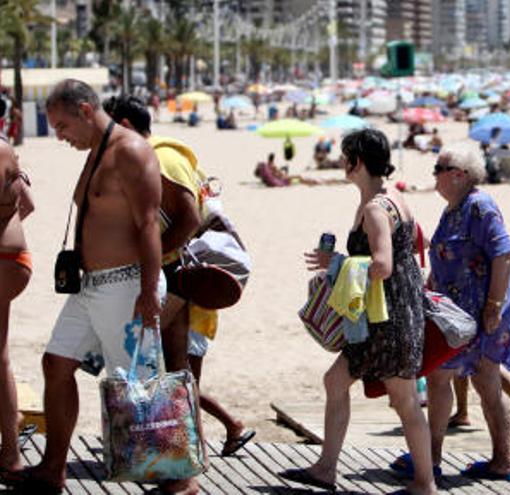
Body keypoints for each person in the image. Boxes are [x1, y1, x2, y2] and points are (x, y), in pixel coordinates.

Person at [28, 79, 166, 493]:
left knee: (139, 387)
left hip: (125, 285)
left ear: (85, 111)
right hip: (91, 287)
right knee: (56, 364)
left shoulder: (130, 151)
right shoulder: (97, 151)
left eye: (62, 125)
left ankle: (179, 480)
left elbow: (148, 224)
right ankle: (53, 469)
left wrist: (147, 291)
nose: (59, 136)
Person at [103, 95, 255, 459]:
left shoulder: (161, 157)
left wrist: (153, 264)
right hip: (182, 277)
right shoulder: (153, 157)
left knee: (156, 361)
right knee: (174, 367)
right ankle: (194, 446)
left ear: (123, 126)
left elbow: (186, 219)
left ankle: (172, 447)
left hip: (180, 278)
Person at [292, 129, 436, 494]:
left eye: (345, 157)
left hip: (384, 321)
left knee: (401, 399)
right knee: (348, 385)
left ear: (357, 161)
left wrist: (336, 263)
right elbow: (417, 243)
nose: (342, 163)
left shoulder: (374, 209)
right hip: (396, 314)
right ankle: (327, 467)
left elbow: (383, 265)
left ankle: (425, 483)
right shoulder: (394, 199)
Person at [413, 142, 510, 481]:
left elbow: (504, 253)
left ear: (459, 175)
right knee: (439, 376)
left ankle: (503, 461)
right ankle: (432, 455)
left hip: (484, 316)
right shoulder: (453, 209)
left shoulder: (480, 206)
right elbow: (445, 257)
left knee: (487, 384)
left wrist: (493, 306)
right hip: (456, 318)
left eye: (438, 169)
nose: (434, 175)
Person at [0, 136, 34, 484]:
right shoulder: (5, 147)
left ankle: (11, 454)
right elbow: (29, 204)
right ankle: (9, 451)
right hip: (11, 258)